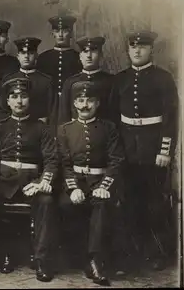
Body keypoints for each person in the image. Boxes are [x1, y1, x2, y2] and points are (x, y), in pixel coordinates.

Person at [109, 30, 179, 271]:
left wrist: (165, 150)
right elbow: (113, 119)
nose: (137, 51)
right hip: (127, 149)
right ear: (128, 50)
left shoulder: (163, 78)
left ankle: (159, 252)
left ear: (151, 50)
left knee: (155, 203)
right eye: (133, 47)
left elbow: (170, 117)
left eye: (143, 47)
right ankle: (132, 254)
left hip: (153, 148)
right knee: (128, 202)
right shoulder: (120, 79)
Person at [0, 78, 58, 281]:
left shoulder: (42, 128)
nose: (19, 101)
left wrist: (42, 181)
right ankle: (2, 253)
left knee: (46, 203)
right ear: (8, 101)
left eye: (23, 96)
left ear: (29, 99)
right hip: (4, 181)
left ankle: (41, 259)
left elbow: (51, 159)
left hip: (32, 182)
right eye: (14, 97)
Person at [57, 80, 125, 286]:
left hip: (100, 181)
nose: (84, 105)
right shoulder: (65, 130)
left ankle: (95, 260)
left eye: (89, 100)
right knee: (65, 204)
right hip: (75, 182)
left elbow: (117, 160)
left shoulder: (109, 128)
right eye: (80, 100)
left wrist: (105, 186)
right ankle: (72, 257)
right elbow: (64, 163)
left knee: (102, 205)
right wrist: (72, 187)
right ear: (74, 103)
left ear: (97, 103)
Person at [36, 14, 83, 128]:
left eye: (65, 30)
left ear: (71, 33)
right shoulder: (43, 58)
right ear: (52, 33)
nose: (61, 34)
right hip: (49, 105)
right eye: (57, 31)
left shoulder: (79, 57)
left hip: (71, 103)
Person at [57, 36, 114, 126]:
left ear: (101, 55)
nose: (89, 56)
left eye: (93, 51)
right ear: (80, 56)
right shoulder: (70, 82)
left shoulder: (110, 81)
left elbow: (113, 115)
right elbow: (64, 116)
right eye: (85, 51)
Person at [0, 37, 53, 122]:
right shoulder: (9, 79)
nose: (26, 57)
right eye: (23, 53)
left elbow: (52, 110)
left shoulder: (46, 81)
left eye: (30, 53)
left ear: (36, 55)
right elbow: (3, 109)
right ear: (18, 56)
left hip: (40, 127)